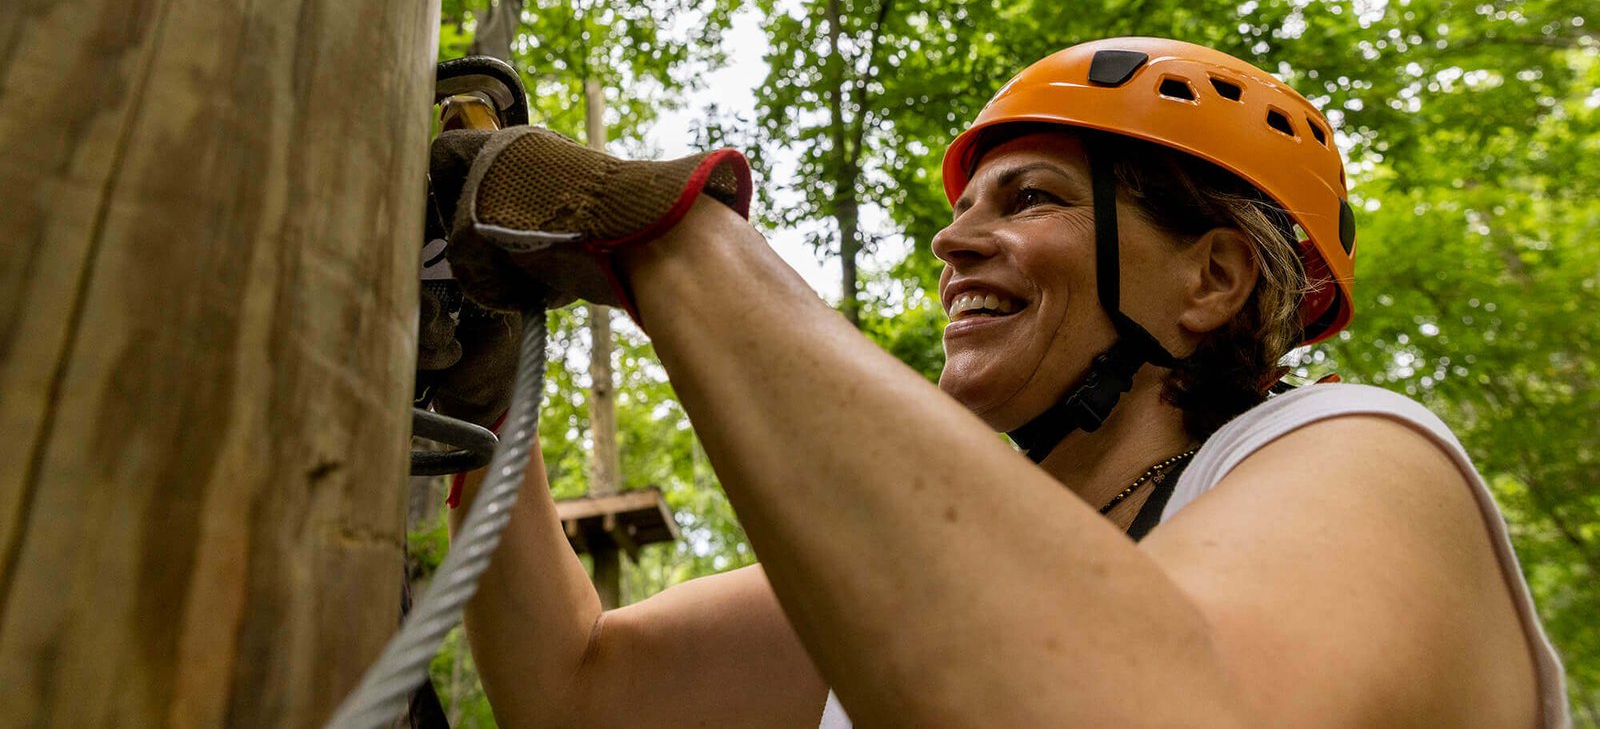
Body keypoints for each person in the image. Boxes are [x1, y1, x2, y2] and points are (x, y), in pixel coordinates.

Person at [424, 37, 1568, 728]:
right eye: (963, 209)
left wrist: (658, 237)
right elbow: (580, 688)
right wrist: (481, 399)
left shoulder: (1361, 451)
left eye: (1030, 199)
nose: (951, 242)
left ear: (1212, 276)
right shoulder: (931, 584)